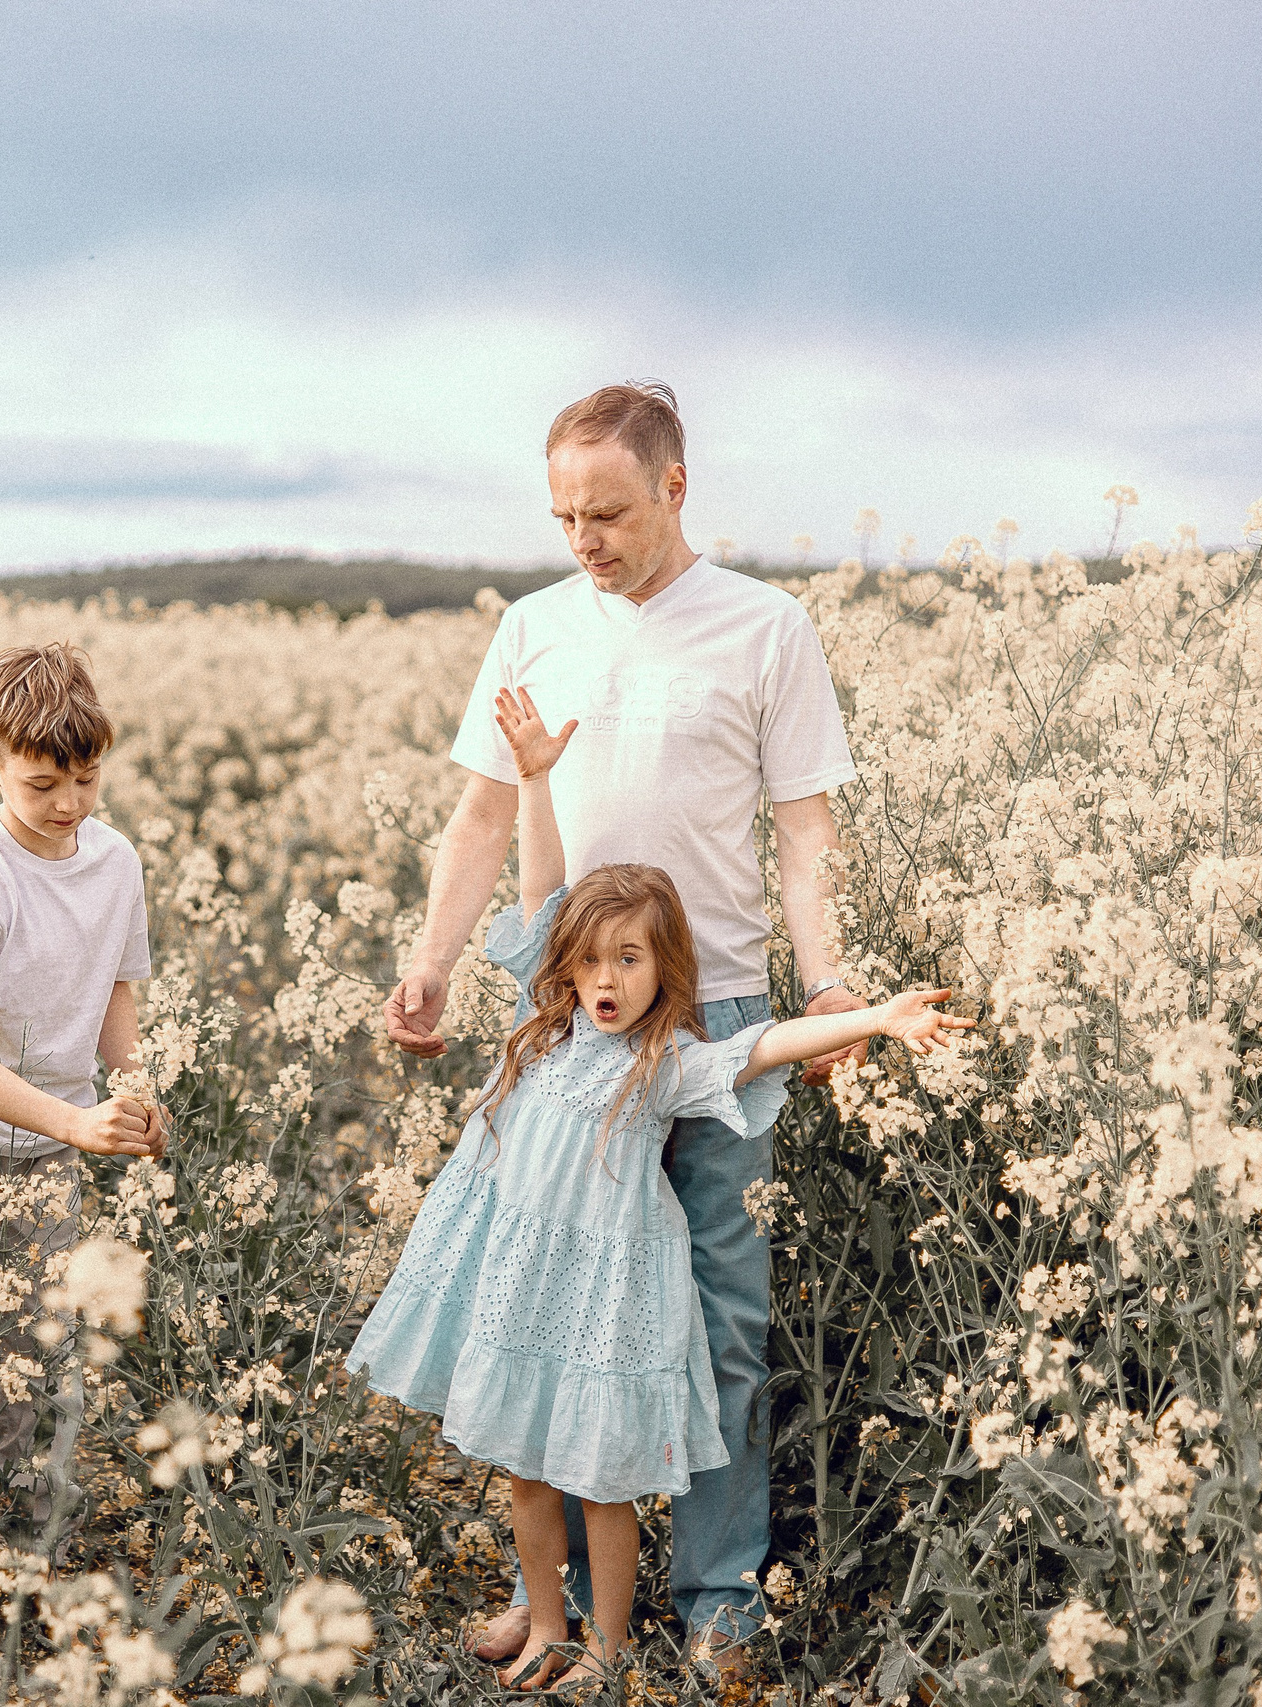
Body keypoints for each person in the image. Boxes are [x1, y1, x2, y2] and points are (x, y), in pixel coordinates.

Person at [351, 688, 972, 1689]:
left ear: (662, 968)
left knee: (599, 1477)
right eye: (591, 961)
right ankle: (546, 1624)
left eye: (630, 960)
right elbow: (542, 888)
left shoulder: (666, 1063)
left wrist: (874, 1019)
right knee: (524, 1467)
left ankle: (605, 1645)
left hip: (604, 1295)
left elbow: (766, 1045)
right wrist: (535, 780)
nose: (606, 978)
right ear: (566, 968)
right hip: (523, 1277)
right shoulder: (552, 1027)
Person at [384, 381, 866, 1668]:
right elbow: (484, 817)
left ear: (673, 487)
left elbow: (804, 834)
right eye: (563, 516)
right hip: (569, 1014)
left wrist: (827, 986)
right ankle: (550, 1600)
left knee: (721, 1315)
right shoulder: (533, 626)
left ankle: (716, 1599)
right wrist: (431, 963)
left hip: (719, 1010)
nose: (582, 539)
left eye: (605, 512)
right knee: (537, 1295)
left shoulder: (766, 627)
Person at [0, 641, 168, 1518]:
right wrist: (77, 1123)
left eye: (86, 779)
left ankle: (28, 1524)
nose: (69, 803)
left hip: (48, 1144)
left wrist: (135, 1091)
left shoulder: (115, 862)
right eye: (42, 783)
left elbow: (115, 987)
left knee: (38, 1342)